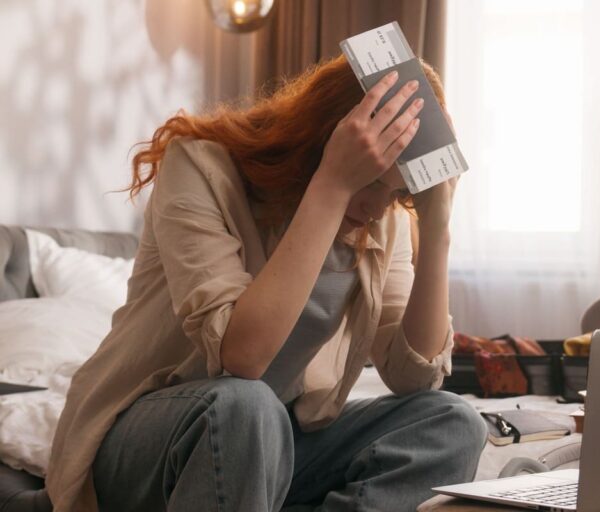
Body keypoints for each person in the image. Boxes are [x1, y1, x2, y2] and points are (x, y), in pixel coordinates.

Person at [45, 55, 487, 512]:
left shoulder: (381, 222)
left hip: (274, 441)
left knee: (452, 420)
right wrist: (332, 185)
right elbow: (243, 358)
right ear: (325, 142)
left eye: (396, 193)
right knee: (245, 406)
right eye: (371, 182)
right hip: (149, 439)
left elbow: (412, 378)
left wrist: (437, 231)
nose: (378, 209)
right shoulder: (201, 167)